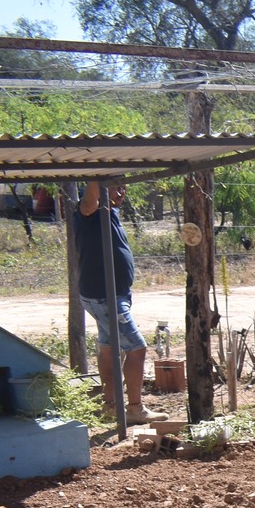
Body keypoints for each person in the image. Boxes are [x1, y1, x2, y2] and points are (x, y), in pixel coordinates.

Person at [74, 182, 148, 424]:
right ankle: (135, 409)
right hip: (106, 297)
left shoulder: (109, 213)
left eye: (123, 187)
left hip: (109, 295)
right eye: (115, 187)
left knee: (108, 348)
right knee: (136, 348)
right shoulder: (89, 211)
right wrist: (99, 176)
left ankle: (111, 406)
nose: (121, 192)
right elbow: (90, 200)